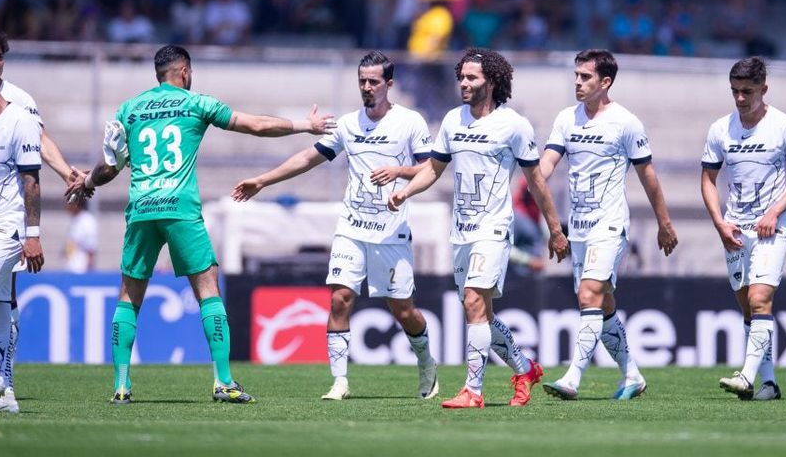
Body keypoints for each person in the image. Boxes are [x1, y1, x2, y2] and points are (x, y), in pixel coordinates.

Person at [65, 45, 335, 404]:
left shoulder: (129, 109)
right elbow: (255, 125)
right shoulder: (197, 104)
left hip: (142, 209)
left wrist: (86, 182)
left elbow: (111, 166)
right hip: (180, 208)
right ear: (185, 72)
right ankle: (223, 381)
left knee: (129, 295)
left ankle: (121, 386)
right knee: (208, 288)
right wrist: (305, 125)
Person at [232, 51, 439, 401]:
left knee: (403, 310)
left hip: (390, 230)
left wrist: (399, 173)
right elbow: (307, 157)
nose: (367, 87)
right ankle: (340, 381)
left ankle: (426, 361)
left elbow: (431, 168)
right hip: (351, 228)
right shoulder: (348, 124)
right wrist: (263, 180)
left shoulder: (410, 122)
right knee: (340, 299)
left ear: (389, 84)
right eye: (362, 81)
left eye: (374, 81)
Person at [388, 48, 569, 409]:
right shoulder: (452, 120)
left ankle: (473, 391)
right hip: (462, 232)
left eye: (472, 77)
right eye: (461, 76)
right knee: (479, 313)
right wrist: (406, 191)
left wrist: (555, 229)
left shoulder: (514, 125)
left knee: (473, 301)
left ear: (492, 81)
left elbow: (536, 182)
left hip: (494, 228)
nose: (464, 83)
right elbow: (433, 169)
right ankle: (525, 369)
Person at [539, 49, 678, 401]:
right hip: (578, 228)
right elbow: (546, 164)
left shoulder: (626, 123)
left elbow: (648, 176)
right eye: (576, 75)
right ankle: (632, 375)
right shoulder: (566, 119)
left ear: (605, 82)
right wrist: (536, 181)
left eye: (585, 77)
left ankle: (572, 378)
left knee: (588, 295)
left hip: (609, 224)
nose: (577, 82)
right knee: (601, 305)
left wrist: (664, 223)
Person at [0, 28, 78, 414]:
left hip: (7, 223)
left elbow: (36, 157)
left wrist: (67, 173)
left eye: (0, 56)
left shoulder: (20, 106)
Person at [701, 57, 786, 400]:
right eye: (734, 91)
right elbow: (707, 180)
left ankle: (746, 377)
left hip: (770, 228)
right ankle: (769, 383)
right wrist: (719, 222)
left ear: (764, 89)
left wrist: (775, 212)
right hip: (735, 230)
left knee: (760, 298)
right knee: (748, 307)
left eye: (747, 91)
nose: (740, 98)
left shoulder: (785, 126)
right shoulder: (720, 129)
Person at [0, 52, 44, 411]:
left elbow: (31, 181)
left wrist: (33, 234)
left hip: (8, 227)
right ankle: (5, 395)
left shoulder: (20, 120)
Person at [64, 196, 97, 273]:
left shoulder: (87, 221)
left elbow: (91, 247)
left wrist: (89, 270)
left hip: (81, 268)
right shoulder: (74, 220)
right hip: (71, 267)